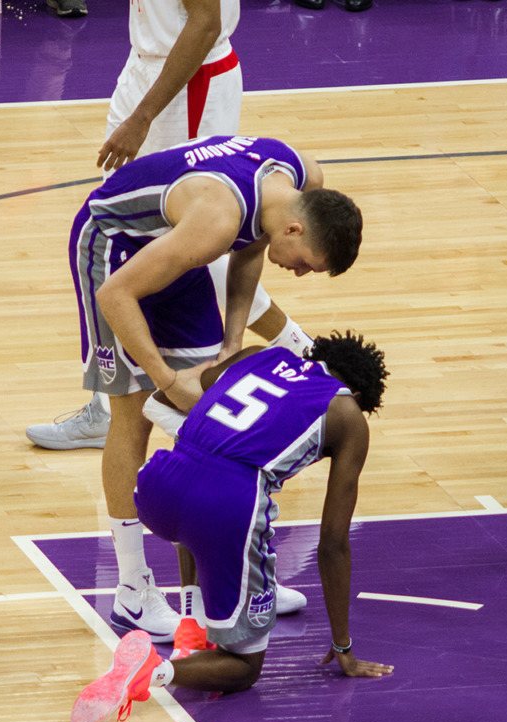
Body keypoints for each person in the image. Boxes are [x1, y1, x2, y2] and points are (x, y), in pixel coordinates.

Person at [64, 135, 363, 643]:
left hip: (177, 250)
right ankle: (133, 590)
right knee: (133, 415)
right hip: (113, 253)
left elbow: (253, 248)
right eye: (307, 262)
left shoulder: (300, 178)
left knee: (213, 416)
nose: (300, 272)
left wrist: (231, 342)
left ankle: (212, 589)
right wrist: (166, 380)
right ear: (297, 227)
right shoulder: (217, 220)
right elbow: (116, 295)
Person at [71, 332, 393, 722]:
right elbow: (332, 544)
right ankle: (152, 670)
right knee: (243, 667)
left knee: (199, 510)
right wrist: (343, 646)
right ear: (358, 392)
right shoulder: (347, 414)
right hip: (224, 507)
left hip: (157, 485)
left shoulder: (264, 355)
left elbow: (179, 392)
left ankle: (192, 622)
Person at [26, 0, 312, 453]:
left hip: (187, 82)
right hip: (147, 66)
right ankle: (109, 401)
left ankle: (303, 354)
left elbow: (204, 24)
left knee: (201, 242)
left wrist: (143, 118)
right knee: (121, 229)